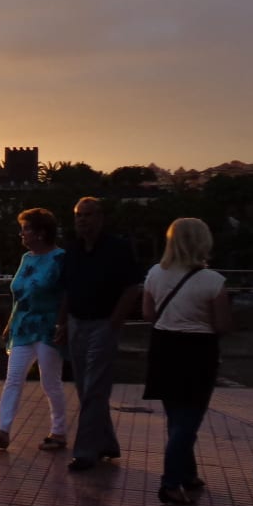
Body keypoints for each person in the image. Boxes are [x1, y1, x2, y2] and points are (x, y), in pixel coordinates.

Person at [142, 218, 232, 504]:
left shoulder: (155, 273)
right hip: (198, 352)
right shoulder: (214, 281)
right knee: (188, 420)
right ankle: (170, 482)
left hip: (164, 347)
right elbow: (221, 325)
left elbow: (148, 313)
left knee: (176, 417)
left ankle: (188, 473)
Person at [58, 197, 144, 472]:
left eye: (87, 215)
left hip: (103, 324)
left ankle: (85, 452)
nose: (82, 220)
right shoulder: (72, 250)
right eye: (78, 215)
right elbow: (67, 289)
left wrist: (115, 321)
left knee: (95, 386)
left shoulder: (118, 249)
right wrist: (62, 323)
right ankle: (107, 443)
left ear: (100, 217)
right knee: (86, 388)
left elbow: (132, 287)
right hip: (76, 323)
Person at [0, 208, 67, 452]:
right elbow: (21, 294)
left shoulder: (60, 258)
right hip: (23, 327)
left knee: (50, 382)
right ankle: (2, 431)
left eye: (26, 229)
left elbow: (66, 294)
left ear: (41, 233)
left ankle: (59, 432)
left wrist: (63, 323)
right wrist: (11, 322)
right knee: (14, 378)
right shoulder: (27, 258)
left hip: (48, 327)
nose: (22, 234)